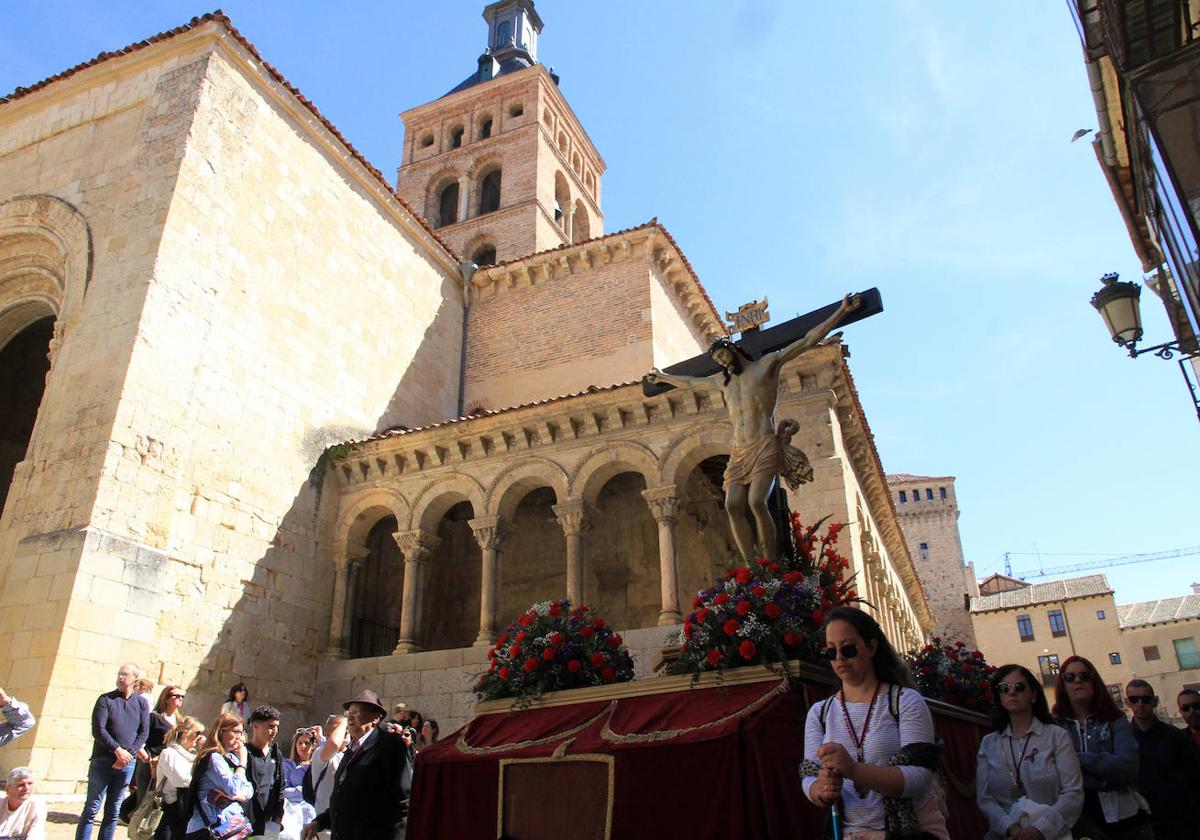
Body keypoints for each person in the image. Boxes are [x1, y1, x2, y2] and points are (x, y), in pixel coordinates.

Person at [645, 293, 860, 562]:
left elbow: (806, 340)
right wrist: (664, 377)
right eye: (719, 361)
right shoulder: (724, 382)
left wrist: (840, 311)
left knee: (757, 502)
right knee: (732, 505)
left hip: (763, 444)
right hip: (739, 450)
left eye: (724, 355)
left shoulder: (766, 365)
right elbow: (689, 384)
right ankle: (752, 566)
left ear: (733, 350)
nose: (723, 362)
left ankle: (770, 565)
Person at [801, 606, 948, 839]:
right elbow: (809, 774)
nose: (839, 657)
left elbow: (919, 776)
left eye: (848, 649)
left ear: (871, 647)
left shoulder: (904, 701)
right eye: (831, 651)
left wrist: (854, 770)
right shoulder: (820, 712)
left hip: (911, 832)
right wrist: (819, 789)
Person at [976, 664, 1083, 840]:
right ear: (999, 697)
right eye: (1004, 688)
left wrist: (1039, 830)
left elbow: (1073, 793)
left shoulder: (1057, 737)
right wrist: (1009, 827)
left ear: (1033, 694)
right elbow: (984, 798)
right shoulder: (989, 744)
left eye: (1019, 687)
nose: (1011, 692)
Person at [1052, 655, 1152, 840]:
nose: (1078, 681)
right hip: (1078, 823)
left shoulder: (1115, 720)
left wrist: (1075, 759)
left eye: (1084, 676)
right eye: (1070, 677)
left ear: (1094, 681)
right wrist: (1106, 777)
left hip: (1125, 821)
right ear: (1063, 684)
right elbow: (1054, 773)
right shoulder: (1054, 726)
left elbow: (1127, 767)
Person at [301, 690, 412, 840]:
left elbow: (403, 802)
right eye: (348, 713)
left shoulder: (389, 745)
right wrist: (320, 822)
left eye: (357, 712)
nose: (350, 717)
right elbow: (346, 800)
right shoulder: (351, 751)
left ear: (376, 717)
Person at [76, 662, 149, 840]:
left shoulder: (141, 703)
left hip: (127, 763)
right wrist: (118, 751)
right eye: (119, 674)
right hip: (103, 760)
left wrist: (128, 754)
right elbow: (98, 730)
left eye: (125, 674)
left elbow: (143, 732)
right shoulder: (105, 700)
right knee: (92, 807)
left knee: (113, 809)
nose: (120, 677)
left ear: (135, 679)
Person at [1126, 679, 1200, 837]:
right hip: (1143, 819)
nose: (1140, 704)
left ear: (1154, 701)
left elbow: (1194, 777)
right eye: (1134, 700)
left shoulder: (1175, 736)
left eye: (1145, 699)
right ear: (1127, 702)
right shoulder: (1124, 739)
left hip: (1180, 818)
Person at [122, 685, 187, 822]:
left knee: (159, 798)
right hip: (151, 762)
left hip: (169, 764)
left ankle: (126, 814)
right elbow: (139, 737)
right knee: (144, 798)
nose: (180, 699)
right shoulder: (153, 717)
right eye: (177, 696)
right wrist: (144, 755)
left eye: (182, 696)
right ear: (166, 698)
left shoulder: (180, 721)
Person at [184, 713, 253, 840]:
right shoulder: (214, 758)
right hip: (207, 828)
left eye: (242, 733)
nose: (240, 737)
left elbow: (249, 788)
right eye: (235, 732)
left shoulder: (231, 758)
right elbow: (233, 788)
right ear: (221, 732)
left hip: (229, 827)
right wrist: (243, 762)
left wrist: (237, 796)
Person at [153, 716, 205, 840]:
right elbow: (180, 780)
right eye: (197, 733)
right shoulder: (169, 753)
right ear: (185, 734)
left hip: (185, 809)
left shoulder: (193, 756)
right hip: (170, 808)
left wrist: (204, 749)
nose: (198, 738)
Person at [244, 705, 284, 836]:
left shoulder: (275, 753)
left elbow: (280, 785)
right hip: (247, 822)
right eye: (270, 726)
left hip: (269, 824)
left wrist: (278, 817)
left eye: (277, 726)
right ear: (255, 726)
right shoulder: (244, 753)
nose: (275, 731)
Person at [306, 715, 346, 840]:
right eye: (338, 728)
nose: (344, 732)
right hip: (324, 827)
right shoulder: (320, 753)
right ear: (327, 731)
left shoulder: (350, 756)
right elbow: (333, 744)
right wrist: (345, 721)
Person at [279, 727, 318, 840]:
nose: (303, 746)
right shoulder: (287, 764)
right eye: (300, 743)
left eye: (307, 743)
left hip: (311, 812)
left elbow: (315, 789)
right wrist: (303, 791)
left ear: (313, 745)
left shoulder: (316, 765)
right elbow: (283, 790)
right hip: (291, 812)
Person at [0, 766, 47, 840]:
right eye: (21, 785)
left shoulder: (37, 806)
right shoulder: (1, 803)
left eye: (30, 784)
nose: (26, 788)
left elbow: (36, 835)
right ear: (7, 789)